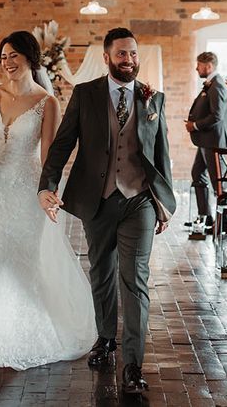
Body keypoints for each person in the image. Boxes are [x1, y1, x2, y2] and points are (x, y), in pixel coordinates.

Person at [0, 31, 96, 386]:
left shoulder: (47, 102)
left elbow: (50, 158)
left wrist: (48, 192)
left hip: (26, 194)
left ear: (30, 58)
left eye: (14, 55)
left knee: (22, 269)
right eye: (2, 56)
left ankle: (18, 336)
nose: (7, 62)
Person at [39, 27, 176, 395]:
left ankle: (133, 363)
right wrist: (47, 185)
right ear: (106, 57)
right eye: (121, 54)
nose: (129, 60)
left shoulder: (153, 99)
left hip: (139, 200)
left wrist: (163, 205)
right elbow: (64, 142)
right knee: (101, 272)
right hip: (97, 199)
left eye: (133, 54)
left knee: (135, 280)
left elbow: (161, 155)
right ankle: (105, 340)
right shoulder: (85, 95)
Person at [186, 51, 227, 234]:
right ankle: (204, 217)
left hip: (214, 142)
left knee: (218, 183)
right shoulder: (211, 85)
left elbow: (217, 116)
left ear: (209, 66)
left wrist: (195, 125)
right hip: (206, 142)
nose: (196, 68)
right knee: (197, 174)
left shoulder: (218, 85)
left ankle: (225, 222)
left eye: (199, 65)